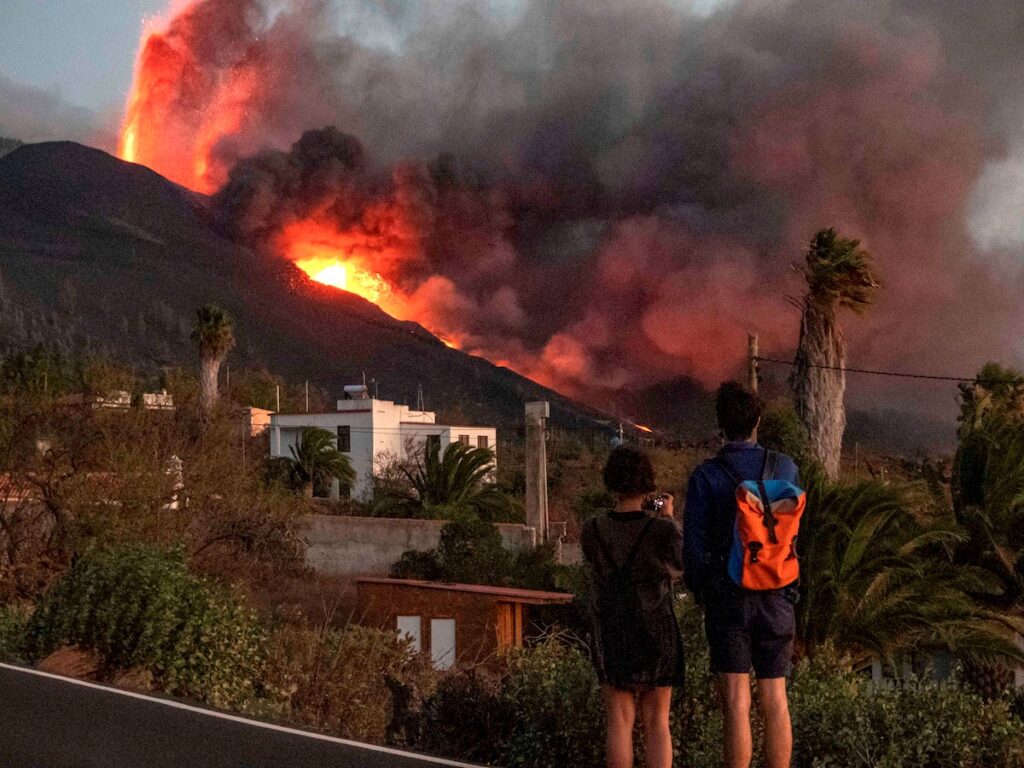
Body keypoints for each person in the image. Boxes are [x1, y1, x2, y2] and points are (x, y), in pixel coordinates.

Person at [683, 382, 800, 768]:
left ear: (720, 425)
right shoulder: (785, 467)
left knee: (736, 700)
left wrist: (704, 593)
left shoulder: (706, 476)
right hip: (778, 593)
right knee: (775, 697)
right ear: (758, 421)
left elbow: (694, 551)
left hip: (728, 596)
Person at [582, 446, 684, 768]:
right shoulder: (661, 530)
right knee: (657, 722)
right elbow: (682, 565)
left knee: (619, 721)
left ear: (611, 482)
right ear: (647, 484)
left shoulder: (593, 529)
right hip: (657, 631)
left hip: (613, 630)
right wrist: (667, 517)